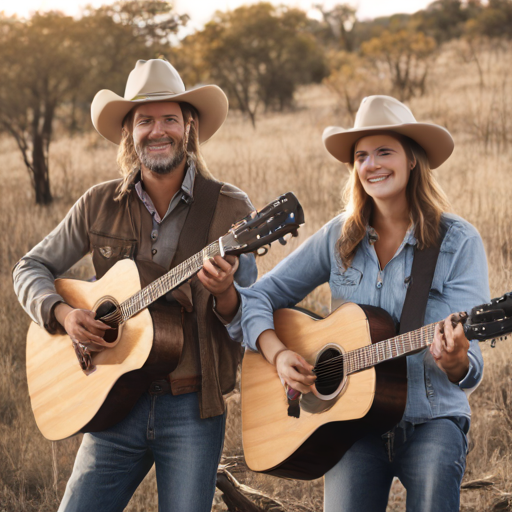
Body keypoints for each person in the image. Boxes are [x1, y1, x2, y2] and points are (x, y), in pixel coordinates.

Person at [13, 59, 257, 511]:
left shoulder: (229, 208)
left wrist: (225, 292)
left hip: (191, 409)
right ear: (129, 131)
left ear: (189, 126)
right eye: (145, 120)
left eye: (169, 118)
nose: (157, 130)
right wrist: (64, 315)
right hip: (112, 400)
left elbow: (248, 318)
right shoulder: (98, 203)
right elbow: (29, 267)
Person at [239, 95, 488, 511]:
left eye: (384, 152)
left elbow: (470, 368)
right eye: (361, 156)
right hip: (352, 425)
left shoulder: (458, 241)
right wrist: (279, 354)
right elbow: (257, 296)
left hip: (433, 419)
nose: (372, 165)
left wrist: (455, 360)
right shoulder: (340, 236)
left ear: (412, 160)